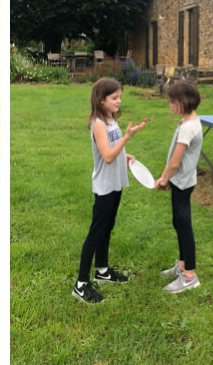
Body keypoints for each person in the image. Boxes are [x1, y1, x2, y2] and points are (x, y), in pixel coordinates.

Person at [73, 77, 146, 304]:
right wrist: (127, 137)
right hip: (105, 186)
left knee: (108, 227)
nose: (119, 101)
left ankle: (102, 271)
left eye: (119, 97)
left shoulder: (112, 119)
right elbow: (106, 155)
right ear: (101, 100)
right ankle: (81, 284)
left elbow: (114, 151)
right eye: (114, 98)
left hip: (116, 182)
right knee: (96, 233)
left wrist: (125, 155)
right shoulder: (98, 124)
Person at [156, 80, 204, 293]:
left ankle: (190, 275)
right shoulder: (189, 122)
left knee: (183, 225)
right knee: (178, 221)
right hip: (184, 181)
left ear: (183, 102)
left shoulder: (188, 128)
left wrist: (164, 178)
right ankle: (183, 265)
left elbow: (175, 162)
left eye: (172, 102)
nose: (170, 105)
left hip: (182, 182)